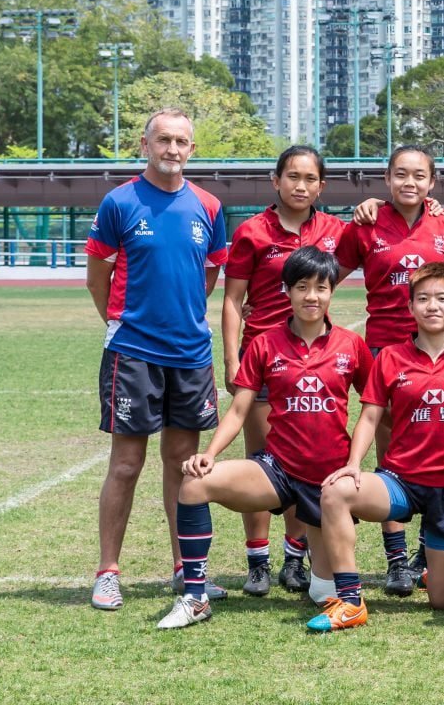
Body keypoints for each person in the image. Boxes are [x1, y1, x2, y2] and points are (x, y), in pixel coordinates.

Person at [156, 246, 372, 628]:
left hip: (328, 482)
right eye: (301, 287)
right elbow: (239, 411)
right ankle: (195, 597)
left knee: (324, 593)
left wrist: (355, 462)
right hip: (277, 470)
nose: (311, 296)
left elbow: (373, 408)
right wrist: (210, 453)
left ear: (332, 291)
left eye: (321, 287)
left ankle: (322, 573)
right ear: (286, 290)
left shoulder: (351, 345)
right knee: (194, 482)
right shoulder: (265, 344)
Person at [304, 262, 444, 632]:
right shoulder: (390, 357)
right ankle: (350, 601)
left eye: (442, 298)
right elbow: (369, 417)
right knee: (336, 491)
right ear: (410, 307)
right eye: (423, 299)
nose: (433, 306)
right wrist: (353, 463)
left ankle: (443, 570)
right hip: (400, 482)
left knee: (443, 599)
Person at [85, 108, 229, 610]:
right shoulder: (120, 202)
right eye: (163, 140)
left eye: (181, 141)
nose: (172, 149)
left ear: (192, 149)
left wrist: (179, 318)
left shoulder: (209, 206)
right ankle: (108, 572)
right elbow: (97, 279)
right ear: (145, 145)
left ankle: (184, 570)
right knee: (126, 465)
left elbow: (207, 276)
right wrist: (124, 324)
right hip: (134, 354)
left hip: (190, 354)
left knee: (183, 465)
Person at [335, 146, 444, 597]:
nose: (410, 182)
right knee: (390, 455)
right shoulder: (365, 224)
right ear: (387, 179)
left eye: (419, 175)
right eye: (401, 174)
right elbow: (327, 277)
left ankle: (429, 551)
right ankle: (396, 560)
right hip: (385, 352)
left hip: (437, 353)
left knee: (436, 445)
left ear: (432, 181)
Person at [222, 145, 345, 596]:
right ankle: (257, 560)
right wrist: (232, 358)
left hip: (313, 359)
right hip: (263, 359)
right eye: (292, 176)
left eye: (310, 179)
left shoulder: (335, 229)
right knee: (260, 462)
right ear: (276, 181)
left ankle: (295, 556)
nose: (301, 186)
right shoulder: (252, 231)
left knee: (303, 462)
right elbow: (233, 299)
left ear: (321, 186)